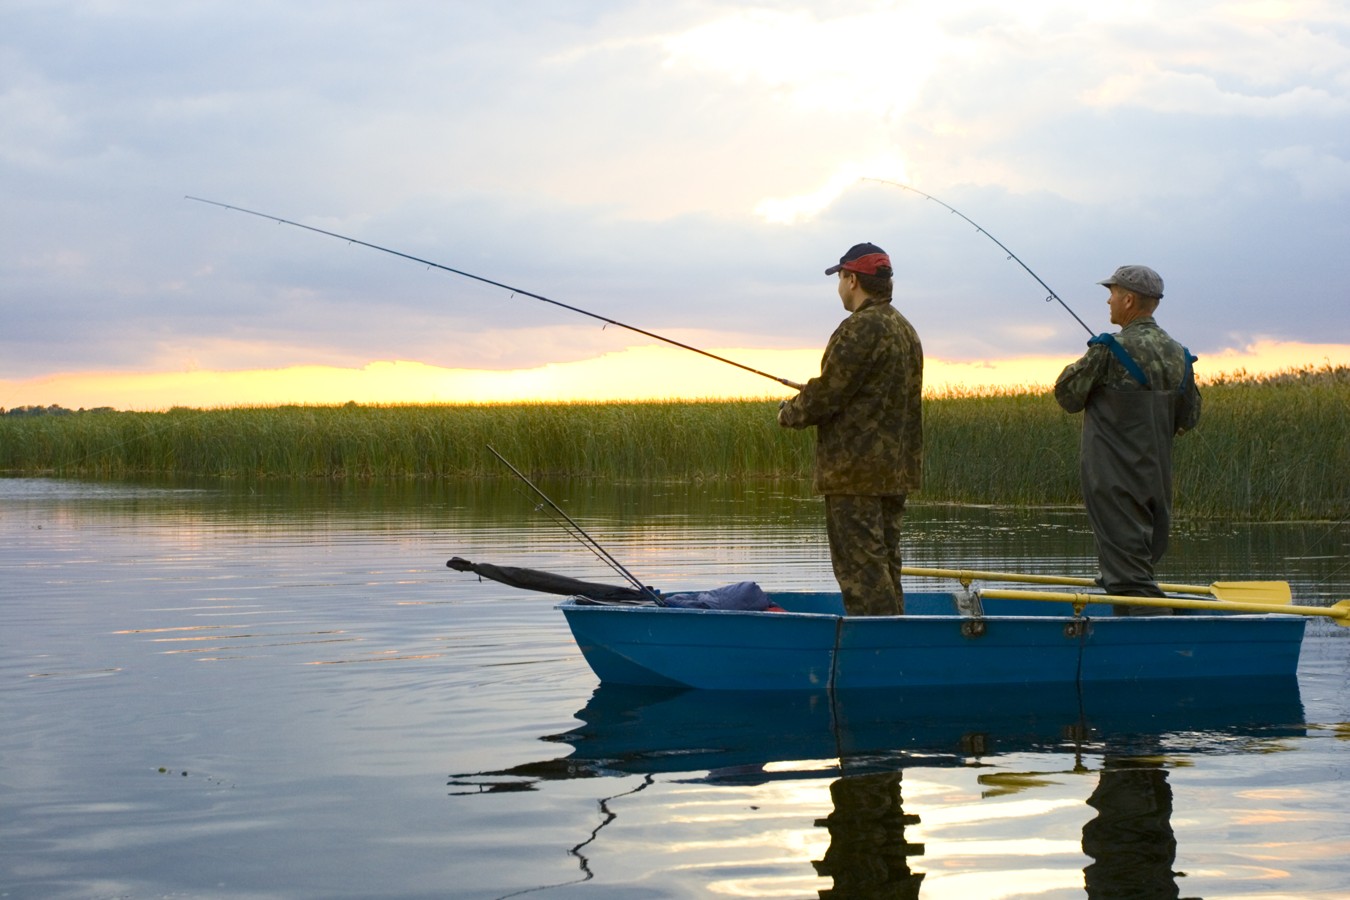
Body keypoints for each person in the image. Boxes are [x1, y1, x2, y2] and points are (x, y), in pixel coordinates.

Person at [778, 242, 923, 616]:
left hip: (854, 473)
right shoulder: (905, 330)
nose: (840, 287)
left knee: (861, 572)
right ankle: (897, 643)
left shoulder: (859, 328)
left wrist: (789, 412)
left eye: (840, 278)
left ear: (852, 278)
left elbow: (827, 394)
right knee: (886, 566)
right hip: (894, 472)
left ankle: (877, 654)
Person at [1054, 265, 1201, 612]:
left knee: (1128, 580)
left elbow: (1067, 396)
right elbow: (1189, 418)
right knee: (1133, 568)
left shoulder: (1108, 350)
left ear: (1130, 299)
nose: (1109, 300)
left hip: (1114, 481)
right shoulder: (1180, 356)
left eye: (1113, 293)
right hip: (1157, 482)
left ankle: (1158, 642)